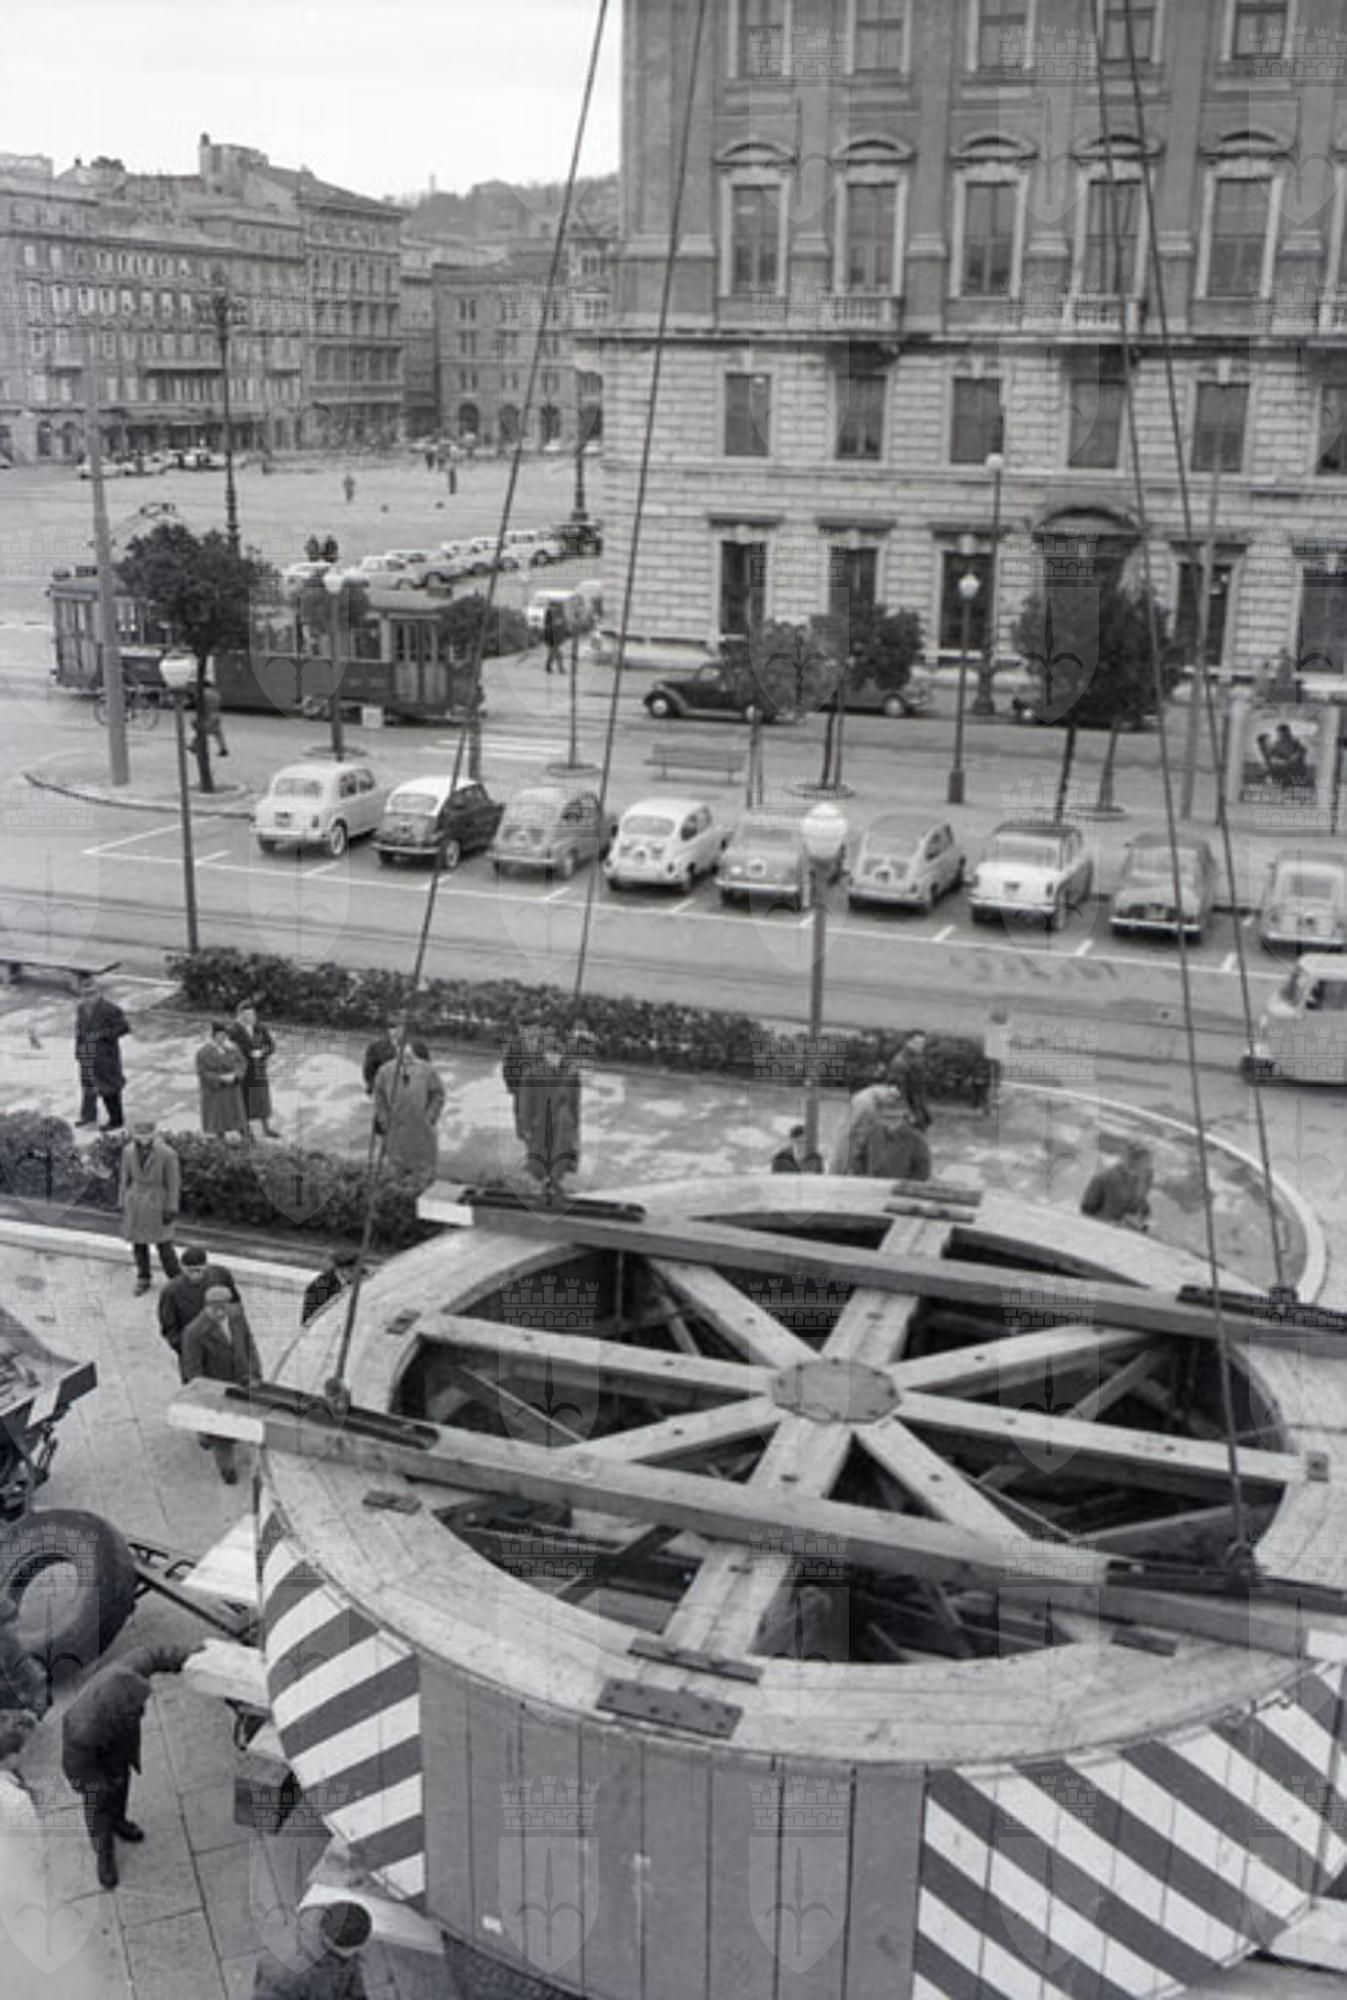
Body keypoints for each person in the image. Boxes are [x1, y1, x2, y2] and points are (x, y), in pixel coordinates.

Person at [61, 1644, 196, 1888]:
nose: (141, 1713)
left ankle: (119, 1821)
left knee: (122, 1784)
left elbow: (155, 1654)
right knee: (99, 1809)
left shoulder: (127, 1673)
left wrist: (192, 1657)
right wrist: (101, 1786)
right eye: (135, 1712)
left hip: (117, 1747)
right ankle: (104, 1855)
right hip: (93, 1766)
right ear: (117, 1712)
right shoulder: (83, 1729)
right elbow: (76, 1772)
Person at [180, 1285, 263, 1484]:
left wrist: (255, 1372)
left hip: (241, 1381)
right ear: (206, 1307)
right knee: (221, 1435)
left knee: (240, 1420)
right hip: (216, 1391)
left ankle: (206, 1433)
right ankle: (226, 1468)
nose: (220, 1313)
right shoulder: (193, 1332)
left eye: (223, 1308)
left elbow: (249, 1344)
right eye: (215, 1309)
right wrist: (209, 1396)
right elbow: (193, 1372)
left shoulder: (237, 1316)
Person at [250, 1901, 371, 1999]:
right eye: (353, 1950)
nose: (357, 1952)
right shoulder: (285, 1974)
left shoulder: (335, 1923)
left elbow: (351, 1976)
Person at [119, 1121, 182, 1294]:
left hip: (157, 1202)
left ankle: (177, 1280)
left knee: (164, 1245)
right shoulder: (128, 1151)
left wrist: (171, 1207)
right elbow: (124, 1177)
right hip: (135, 1202)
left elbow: (173, 1183)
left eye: (147, 1135)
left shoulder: (168, 1154)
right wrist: (122, 1200)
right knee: (138, 1244)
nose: (143, 1139)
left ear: (154, 1134)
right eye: (139, 1135)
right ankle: (143, 1277)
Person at [516, 1035, 581, 1201]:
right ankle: (544, 1186)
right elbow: (525, 1102)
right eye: (550, 1053)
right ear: (544, 1054)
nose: (554, 1057)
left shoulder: (570, 1074)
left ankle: (553, 1184)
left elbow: (575, 1100)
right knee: (540, 1156)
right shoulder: (532, 1074)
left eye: (557, 1054)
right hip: (540, 1122)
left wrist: (575, 1124)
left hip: (562, 1124)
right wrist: (525, 1125)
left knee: (560, 1155)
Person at [373, 1044, 445, 1190]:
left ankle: (420, 1195)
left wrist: (429, 1117)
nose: (406, 1059)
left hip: (422, 1132)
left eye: (409, 1056)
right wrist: (384, 1119)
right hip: (396, 1131)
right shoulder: (385, 1071)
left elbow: (438, 1094)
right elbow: (379, 1096)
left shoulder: (427, 1071)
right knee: (397, 1173)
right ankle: (399, 1196)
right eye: (402, 1056)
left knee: (422, 1174)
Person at [157, 1245, 239, 1359]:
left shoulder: (221, 1276)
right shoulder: (170, 1292)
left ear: (206, 1266)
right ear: (181, 1267)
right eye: (190, 1271)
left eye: (198, 1270)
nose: (194, 1275)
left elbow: (235, 1303)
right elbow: (169, 1327)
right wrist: (184, 1348)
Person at [75, 976, 131, 1131]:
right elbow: (79, 1031)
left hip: (105, 1056)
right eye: (85, 994)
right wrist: (78, 1051)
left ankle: (116, 1120)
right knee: (88, 1087)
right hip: (87, 1054)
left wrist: (103, 1035)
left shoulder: (110, 1009)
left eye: (92, 993)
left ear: (99, 992)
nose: (89, 997)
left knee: (109, 1088)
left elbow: (124, 1028)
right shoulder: (80, 1009)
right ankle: (88, 1117)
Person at [846, 1091, 932, 1181]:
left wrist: (903, 1185)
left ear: (904, 1117)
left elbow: (923, 1172)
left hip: (900, 1187)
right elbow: (857, 1160)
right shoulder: (871, 1133)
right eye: (886, 1116)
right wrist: (863, 1179)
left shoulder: (917, 1140)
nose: (890, 1121)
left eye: (895, 1117)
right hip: (871, 1185)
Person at [230, 1001, 279, 1139]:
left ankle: (266, 1129)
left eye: (252, 1014)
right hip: (244, 1073)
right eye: (247, 1015)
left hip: (259, 1071)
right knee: (244, 1101)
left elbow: (271, 1046)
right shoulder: (234, 1031)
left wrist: (262, 1052)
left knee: (262, 1100)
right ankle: (245, 1130)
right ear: (240, 1016)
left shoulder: (260, 1028)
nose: (251, 1017)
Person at [1081, 1141, 1154, 1232]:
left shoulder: (1141, 1180)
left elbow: (1140, 1205)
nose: (1146, 1167)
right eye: (1144, 1163)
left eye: (1147, 1164)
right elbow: (1087, 1209)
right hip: (1101, 1228)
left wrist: (1143, 1217)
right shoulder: (1106, 1177)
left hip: (1125, 1231)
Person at [197, 1021, 248, 1141]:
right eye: (220, 1036)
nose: (222, 1038)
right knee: (217, 1122)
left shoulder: (232, 1049)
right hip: (215, 1093)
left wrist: (236, 1075)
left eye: (224, 1035)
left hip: (231, 1091)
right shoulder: (203, 1052)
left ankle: (242, 1140)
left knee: (235, 1119)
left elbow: (242, 1063)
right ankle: (218, 1141)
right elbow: (202, 1073)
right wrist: (220, 1078)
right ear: (213, 1036)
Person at [301, 1248, 359, 1326]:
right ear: (340, 1269)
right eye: (351, 1270)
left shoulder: (350, 1279)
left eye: (357, 1270)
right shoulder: (319, 1287)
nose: (356, 1274)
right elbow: (308, 1321)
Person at [888, 1034, 931, 1131]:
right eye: (918, 1042)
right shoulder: (900, 1062)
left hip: (918, 1102)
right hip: (910, 1105)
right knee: (912, 1131)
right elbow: (896, 1089)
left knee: (924, 1124)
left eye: (923, 1043)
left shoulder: (916, 1058)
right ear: (908, 1042)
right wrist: (907, 1111)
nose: (921, 1045)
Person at [190, 675, 228, 759]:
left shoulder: (202, 693)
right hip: (216, 715)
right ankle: (223, 748)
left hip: (206, 716)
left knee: (200, 731)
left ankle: (194, 746)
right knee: (218, 733)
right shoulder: (216, 693)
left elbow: (197, 703)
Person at [362, 1022, 398, 1098]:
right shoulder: (377, 1046)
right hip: (381, 1073)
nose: (395, 1032)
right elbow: (370, 1065)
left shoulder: (405, 1046)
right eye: (392, 1029)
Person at [542, 599, 567, 677]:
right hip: (552, 635)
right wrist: (558, 623)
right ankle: (559, 668)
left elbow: (547, 623)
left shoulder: (551, 611)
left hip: (552, 635)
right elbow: (550, 624)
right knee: (556, 652)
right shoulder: (552, 612)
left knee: (553, 652)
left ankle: (549, 666)